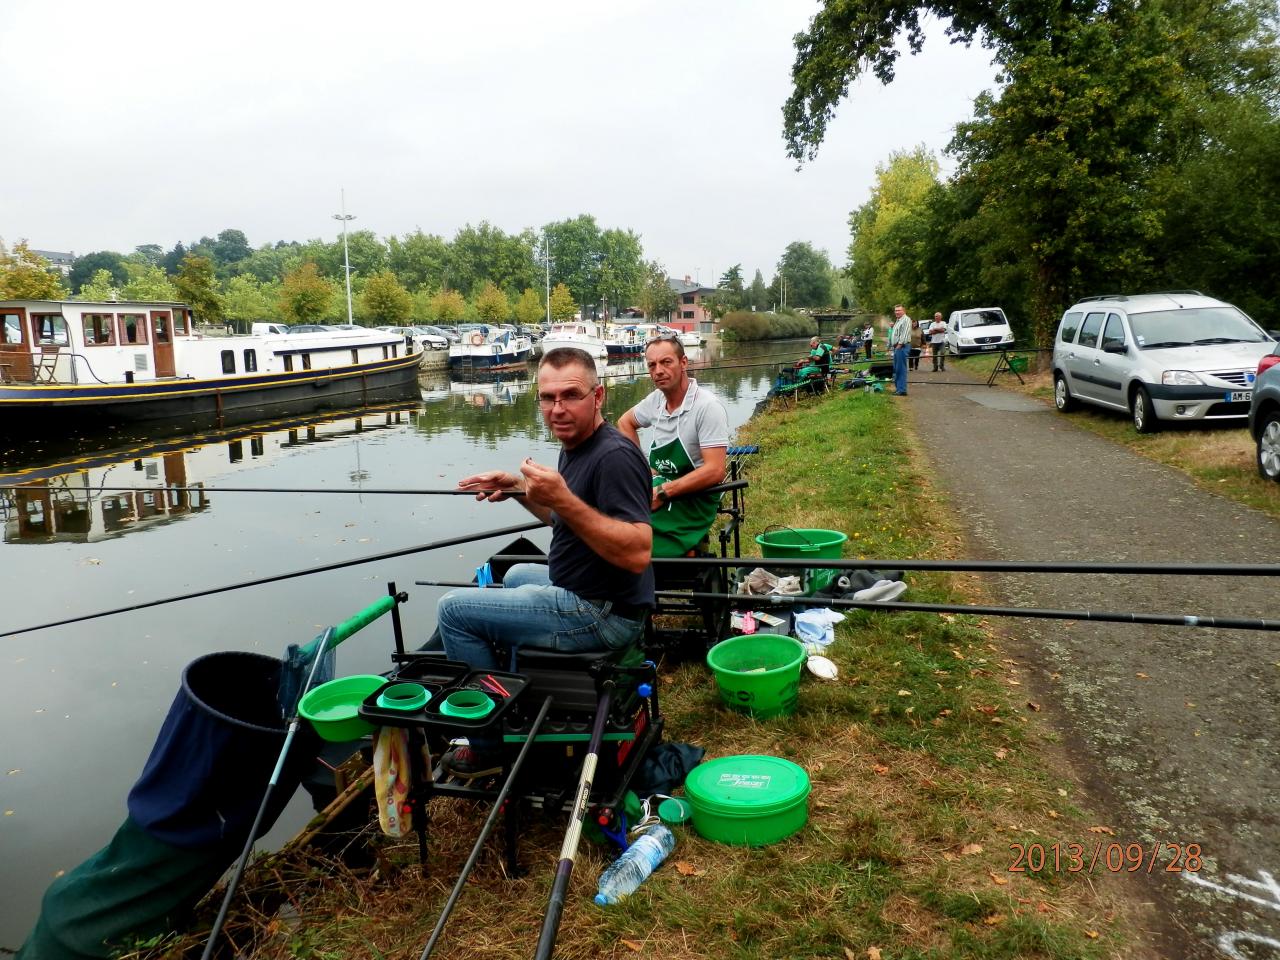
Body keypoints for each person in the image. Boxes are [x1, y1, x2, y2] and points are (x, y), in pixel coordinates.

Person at [436, 346, 654, 774]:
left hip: (602, 610)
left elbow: (637, 551)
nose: (557, 408)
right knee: (517, 572)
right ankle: (519, 694)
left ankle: (488, 747)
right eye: (547, 397)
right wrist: (520, 489)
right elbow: (565, 518)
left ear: (599, 396)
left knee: (454, 612)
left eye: (570, 395)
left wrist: (563, 500)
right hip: (589, 589)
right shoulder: (576, 444)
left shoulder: (614, 457)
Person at [618, 334, 729, 557]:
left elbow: (715, 471)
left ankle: (684, 549)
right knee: (613, 512)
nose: (658, 370)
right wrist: (643, 470)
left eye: (666, 362)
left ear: (684, 363)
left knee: (629, 540)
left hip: (695, 498)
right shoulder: (655, 400)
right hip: (661, 485)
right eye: (652, 365)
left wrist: (662, 492)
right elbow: (624, 422)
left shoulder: (707, 407)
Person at [889, 304, 911, 396]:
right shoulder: (898, 320)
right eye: (896, 310)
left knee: (901, 369)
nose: (897, 312)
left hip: (901, 347)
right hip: (897, 347)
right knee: (896, 369)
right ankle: (898, 388)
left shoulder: (906, 320)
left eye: (899, 310)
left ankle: (902, 390)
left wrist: (899, 345)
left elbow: (904, 335)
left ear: (904, 311)